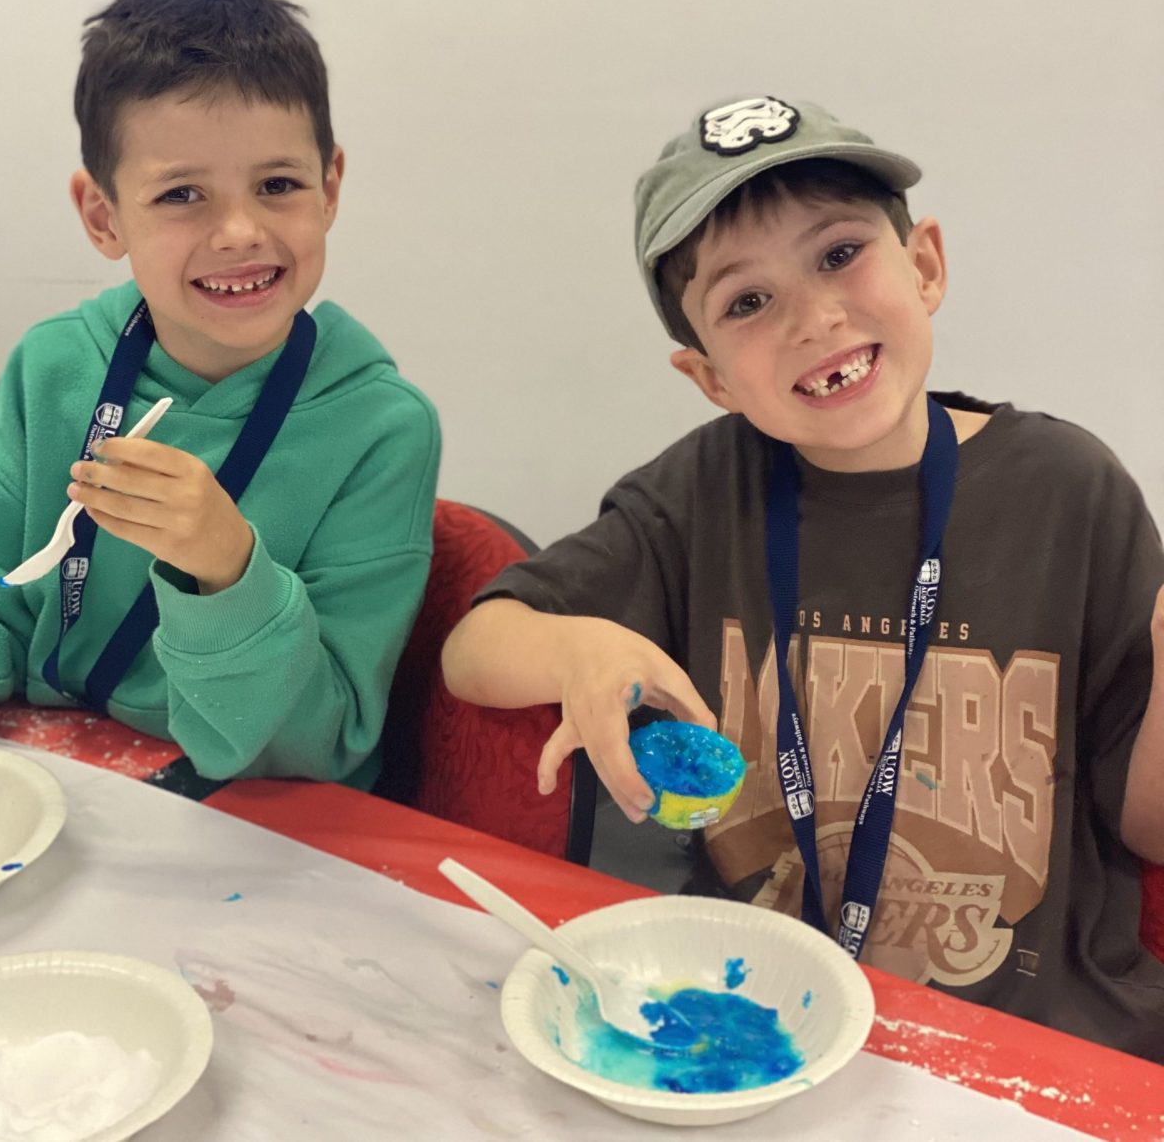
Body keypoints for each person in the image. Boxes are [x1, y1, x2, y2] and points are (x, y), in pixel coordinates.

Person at [442, 94, 1164, 1057]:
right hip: (762, 1025)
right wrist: (575, 646)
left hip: (1031, 1042)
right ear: (709, 377)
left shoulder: (1067, 491)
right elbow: (473, 647)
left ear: (926, 266)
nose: (815, 317)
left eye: (839, 255)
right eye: (747, 301)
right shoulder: (706, 490)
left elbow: (1147, 833)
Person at [0, 0, 440, 789]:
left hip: (255, 826)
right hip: (54, 786)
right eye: (182, 193)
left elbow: (312, 751)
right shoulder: (53, 369)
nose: (240, 232)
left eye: (278, 185)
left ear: (329, 188)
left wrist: (225, 568)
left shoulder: (383, 432)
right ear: (103, 217)